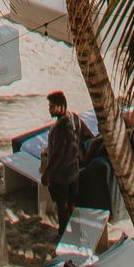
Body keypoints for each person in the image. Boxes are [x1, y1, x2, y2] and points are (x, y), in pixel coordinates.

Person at [40, 91, 86, 237]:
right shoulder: (75, 119)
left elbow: (58, 155)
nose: (49, 109)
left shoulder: (60, 128)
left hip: (61, 175)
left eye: (51, 106)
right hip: (74, 170)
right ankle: (75, 232)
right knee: (72, 204)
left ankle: (63, 233)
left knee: (62, 205)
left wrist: (47, 174)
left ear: (60, 106)